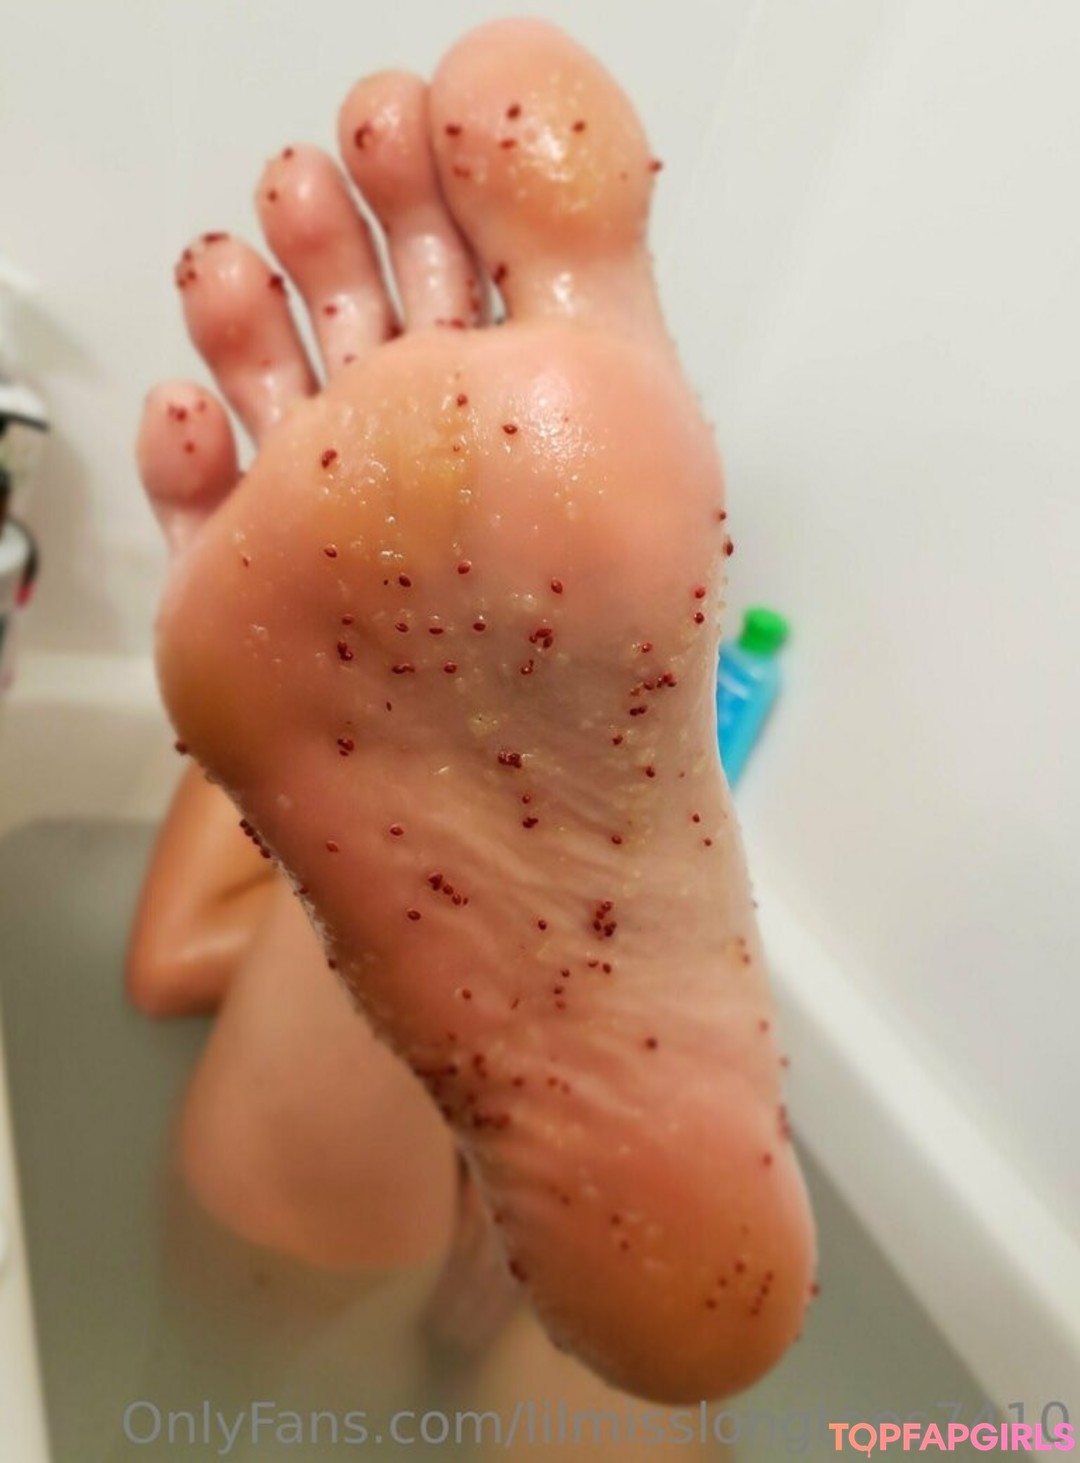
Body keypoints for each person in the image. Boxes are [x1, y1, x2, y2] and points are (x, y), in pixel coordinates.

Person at [131, 16, 816, 1406]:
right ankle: (435, 986)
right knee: (610, 1373)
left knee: (289, 1368)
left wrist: (430, 998)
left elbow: (166, 961)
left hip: (390, 1210)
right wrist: (447, 1031)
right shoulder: (324, 641)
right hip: (528, 1183)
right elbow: (174, 961)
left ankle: (431, 986)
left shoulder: (335, 646)